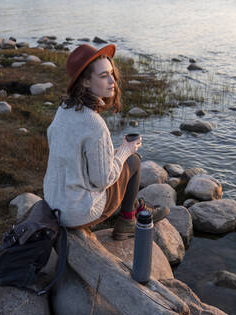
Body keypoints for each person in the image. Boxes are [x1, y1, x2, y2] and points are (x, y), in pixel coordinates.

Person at [43, 43, 169, 240]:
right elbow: (103, 180)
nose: (112, 80)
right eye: (103, 76)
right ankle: (128, 220)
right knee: (133, 160)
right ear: (84, 82)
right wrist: (125, 150)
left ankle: (135, 207)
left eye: (112, 73)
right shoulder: (94, 124)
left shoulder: (63, 110)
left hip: (54, 202)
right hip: (77, 213)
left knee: (121, 159)